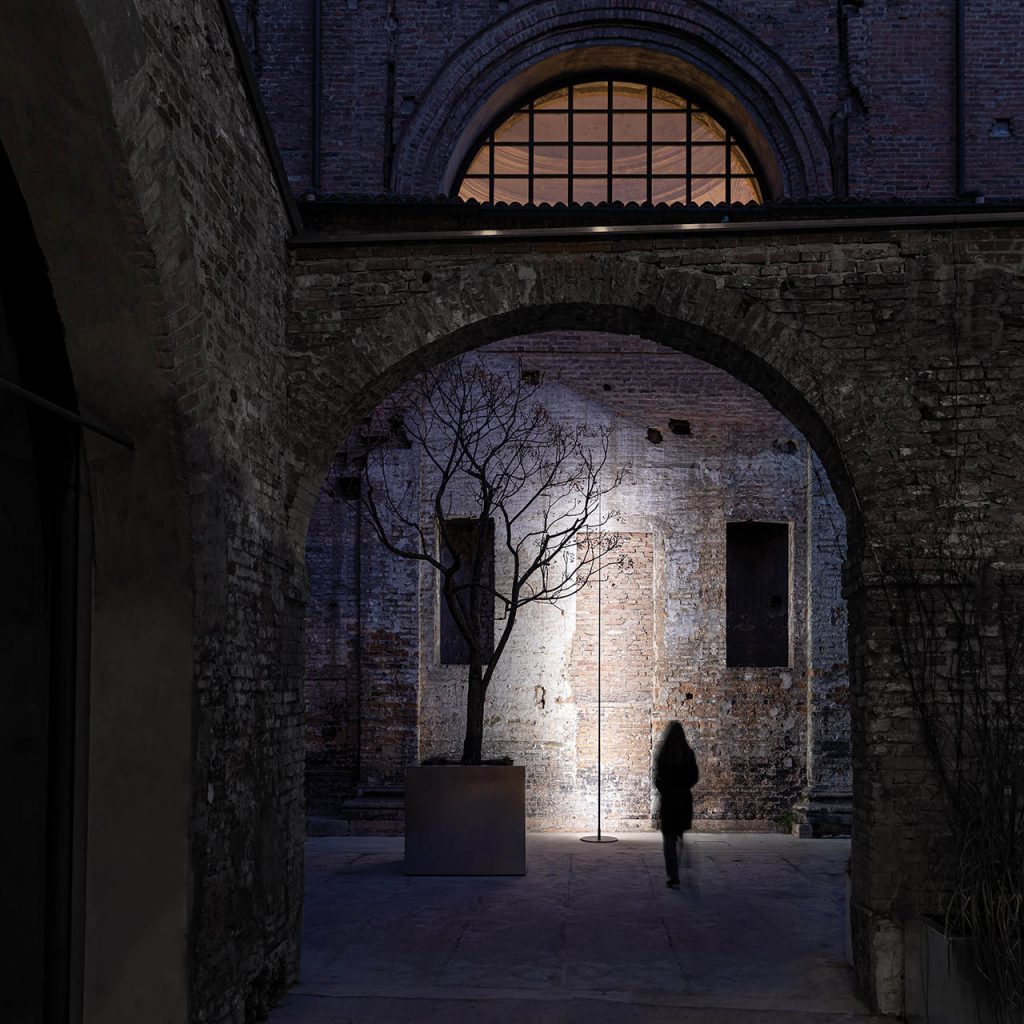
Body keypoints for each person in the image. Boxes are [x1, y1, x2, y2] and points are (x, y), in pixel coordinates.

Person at [654, 720, 699, 889]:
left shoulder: (664, 755)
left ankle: (673, 875)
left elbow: (657, 778)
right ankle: (680, 869)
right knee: (679, 837)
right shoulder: (688, 754)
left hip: (669, 802)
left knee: (669, 840)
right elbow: (694, 777)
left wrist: (666, 790)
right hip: (683, 802)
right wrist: (683, 787)